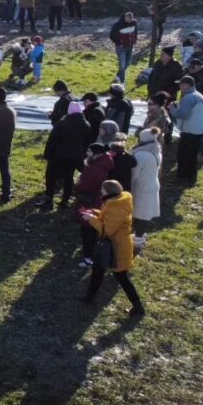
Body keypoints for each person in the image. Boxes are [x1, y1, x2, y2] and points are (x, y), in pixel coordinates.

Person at [80, 180, 145, 316]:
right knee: (97, 270)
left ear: (109, 192)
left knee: (122, 278)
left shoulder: (117, 207)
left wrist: (91, 219)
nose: (101, 192)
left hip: (116, 249)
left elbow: (107, 230)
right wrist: (95, 212)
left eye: (103, 190)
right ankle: (89, 297)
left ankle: (138, 306)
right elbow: (107, 218)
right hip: (108, 246)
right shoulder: (115, 202)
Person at [41, 101, 91, 210]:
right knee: (69, 178)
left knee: (51, 177)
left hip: (58, 156)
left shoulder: (62, 124)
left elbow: (52, 140)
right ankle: (65, 201)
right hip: (75, 157)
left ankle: (49, 200)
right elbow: (87, 143)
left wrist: (47, 154)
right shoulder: (86, 125)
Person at [172, 75, 203, 186]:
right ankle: (191, 178)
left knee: (183, 155)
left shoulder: (188, 97)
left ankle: (182, 178)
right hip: (199, 131)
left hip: (190, 131)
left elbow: (182, 114)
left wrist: (172, 108)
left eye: (181, 84)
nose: (180, 87)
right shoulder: (199, 95)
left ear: (187, 85)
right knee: (193, 157)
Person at [130, 128, 162, 239]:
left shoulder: (141, 155)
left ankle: (137, 239)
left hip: (141, 188)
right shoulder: (156, 151)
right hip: (152, 185)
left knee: (139, 214)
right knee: (145, 214)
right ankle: (140, 236)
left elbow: (134, 174)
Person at [109, 12, 138, 84]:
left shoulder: (134, 23)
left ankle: (118, 76)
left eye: (131, 20)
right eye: (128, 20)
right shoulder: (118, 25)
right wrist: (118, 43)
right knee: (122, 65)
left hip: (130, 46)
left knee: (127, 64)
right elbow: (111, 35)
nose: (129, 21)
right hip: (120, 47)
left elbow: (135, 32)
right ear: (125, 17)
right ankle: (122, 83)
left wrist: (135, 40)